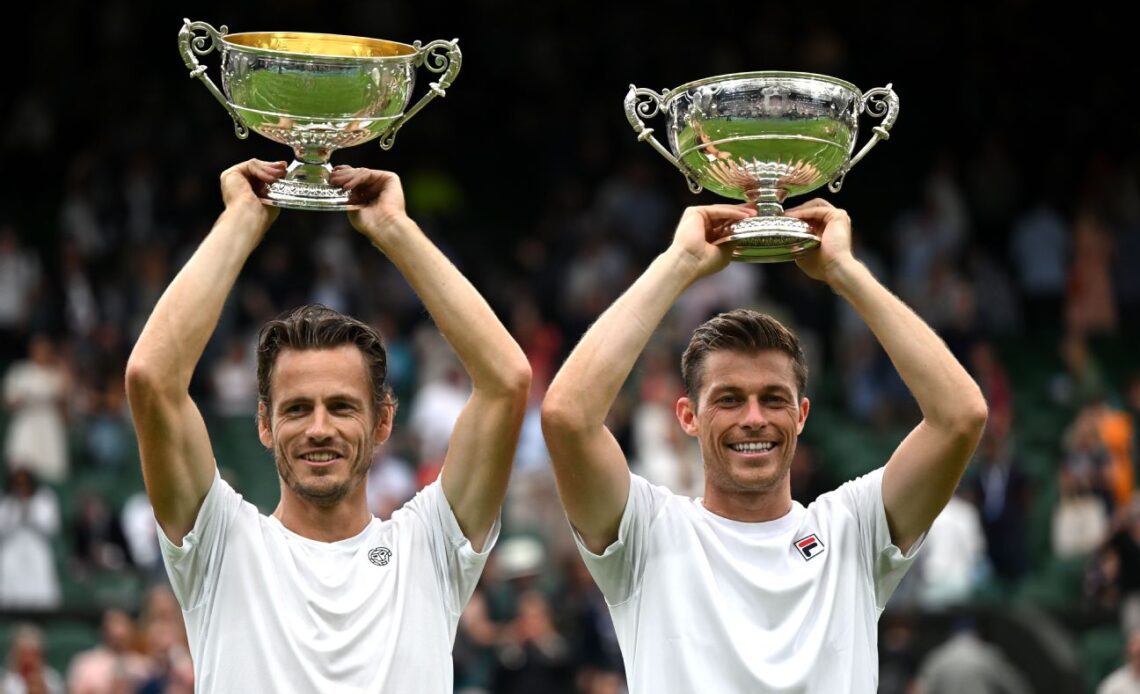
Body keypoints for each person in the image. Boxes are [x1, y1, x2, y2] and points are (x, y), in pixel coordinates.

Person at [540, 199, 988, 692]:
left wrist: (845, 272)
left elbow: (960, 418)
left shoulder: (852, 530)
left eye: (773, 399)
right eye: (729, 399)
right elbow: (568, 417)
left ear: (802, 415)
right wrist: (679, 263)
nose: (753, 419)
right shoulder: (648, 533)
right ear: (688, 416)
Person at [125, 160, 531, 692]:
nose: (319, 428)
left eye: (342, 407)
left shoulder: (429, 547)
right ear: (264, 425)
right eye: (296, 409)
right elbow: (151, 379)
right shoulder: (220, 544)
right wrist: (242, 220)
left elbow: (507, 380)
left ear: (384, 420)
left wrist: (395, 230)